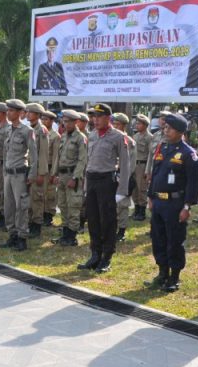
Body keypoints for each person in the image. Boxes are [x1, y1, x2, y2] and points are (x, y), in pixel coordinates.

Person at [143, 113, 198, 292]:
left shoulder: (188, 154)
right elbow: (155, 174)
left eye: (169, 128)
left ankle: (174, 277)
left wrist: (187, 206)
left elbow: (193, 183)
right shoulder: (162, 148)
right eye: (164, 128)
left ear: (180, 131)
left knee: (174, 241)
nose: (165, 131)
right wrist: (151, 197)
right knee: (158, 238)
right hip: (159, 202)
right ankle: (162, 273)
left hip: (175, 204)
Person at [78, 104, 132, 273]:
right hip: (92, 180)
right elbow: (89, 161)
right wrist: (86, 186)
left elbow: (125, 164)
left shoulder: (118, 136)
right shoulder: (92, 135)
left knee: (107, 221)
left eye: (99, 116)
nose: (95, 120)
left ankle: (106, 257)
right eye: (93, 117)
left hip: (107, 182)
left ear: (108, 118)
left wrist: (122, 191)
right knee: (93, 219)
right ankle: (95, 254)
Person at [0, 99, 36, 251]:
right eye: (8, 110)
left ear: (20, 113)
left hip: (20, 174)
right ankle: (12, 235)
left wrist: (32, 175)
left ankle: (22, 237)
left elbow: (34, 155)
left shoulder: (27, 131)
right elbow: (5, 153)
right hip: (8, 174)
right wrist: (3, 172)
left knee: (21, 207)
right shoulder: (8, 130)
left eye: (12, 111)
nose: (8, 113)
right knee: (9, 207)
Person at [51, 109, 88, 246]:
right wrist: (54, 173)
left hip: (72, 176)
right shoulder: (65, 136)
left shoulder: (80, 138)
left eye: (68, 121)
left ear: (76, 122)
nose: (65, 124)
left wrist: (75, 177)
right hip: (62, 175)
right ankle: (65, 234)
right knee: (63, 205)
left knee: (73, 206)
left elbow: (82, 160)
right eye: (64, 121)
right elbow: (58, 157)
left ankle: (72, 237)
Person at [25, 103, 51, 238]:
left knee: (37, 199)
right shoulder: (29, 129)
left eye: (31, 112)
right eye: (28, 112)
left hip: (38, 171)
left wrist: (41, 173)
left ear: (37, 115)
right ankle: (30, 224)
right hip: (29, 169)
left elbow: (43, 154)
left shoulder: (42, 130)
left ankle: (37, 226)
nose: (28, 114)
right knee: (29, 199)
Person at [111, 113, 135, 242]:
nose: (115, 127)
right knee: (112, 205)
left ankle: (121, 231)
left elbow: (130, 163)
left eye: (117, 124)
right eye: (113, 124)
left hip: (124, 177)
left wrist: (123, 178)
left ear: (124, 126)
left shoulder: (128, 141)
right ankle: (112, 229)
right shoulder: (111, 138)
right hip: (112, 177)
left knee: (122, 206)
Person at [131, 114, 154, 221]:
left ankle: (142, 211)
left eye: (139, 123)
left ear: (145, 125)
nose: (137, 125)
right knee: (134, 188)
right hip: (134, 165)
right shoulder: (135, 137)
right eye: (136, 123)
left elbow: (150, 154)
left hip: (143, 165)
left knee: (142, 188)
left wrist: (147, 170)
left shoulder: (149, 137)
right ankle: (136, 208)